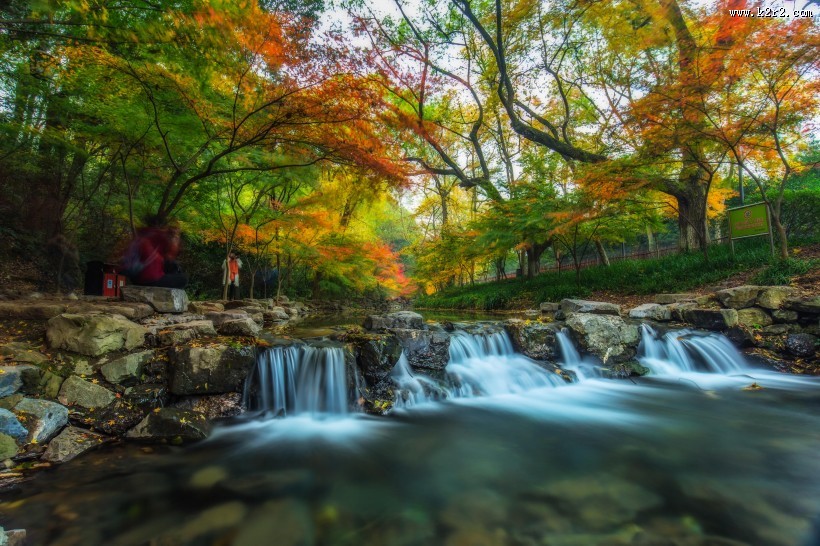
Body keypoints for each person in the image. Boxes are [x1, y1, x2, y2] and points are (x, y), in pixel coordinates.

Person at [122, 216, 188, 289]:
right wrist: (176, 237)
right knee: (183, 279)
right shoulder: (158, 235)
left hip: (136, 278)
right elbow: (171, 255)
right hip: (151, 279)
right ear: (161, 226)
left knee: (171, 265)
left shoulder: (140, 234)